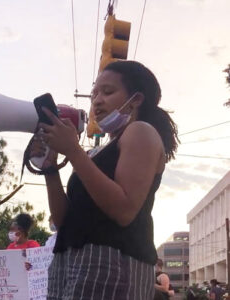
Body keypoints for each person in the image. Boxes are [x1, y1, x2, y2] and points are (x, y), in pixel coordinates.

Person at [30, 60, 179, 299]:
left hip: (111, 263)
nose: (97, 100)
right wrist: (50, 169)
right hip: (70, 260)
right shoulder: (93, 154)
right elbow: (63, 221)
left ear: (137, 99)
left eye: (108, 92)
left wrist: (74, 151)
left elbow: (124, 209)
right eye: (93, 94)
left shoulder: (141, 132)